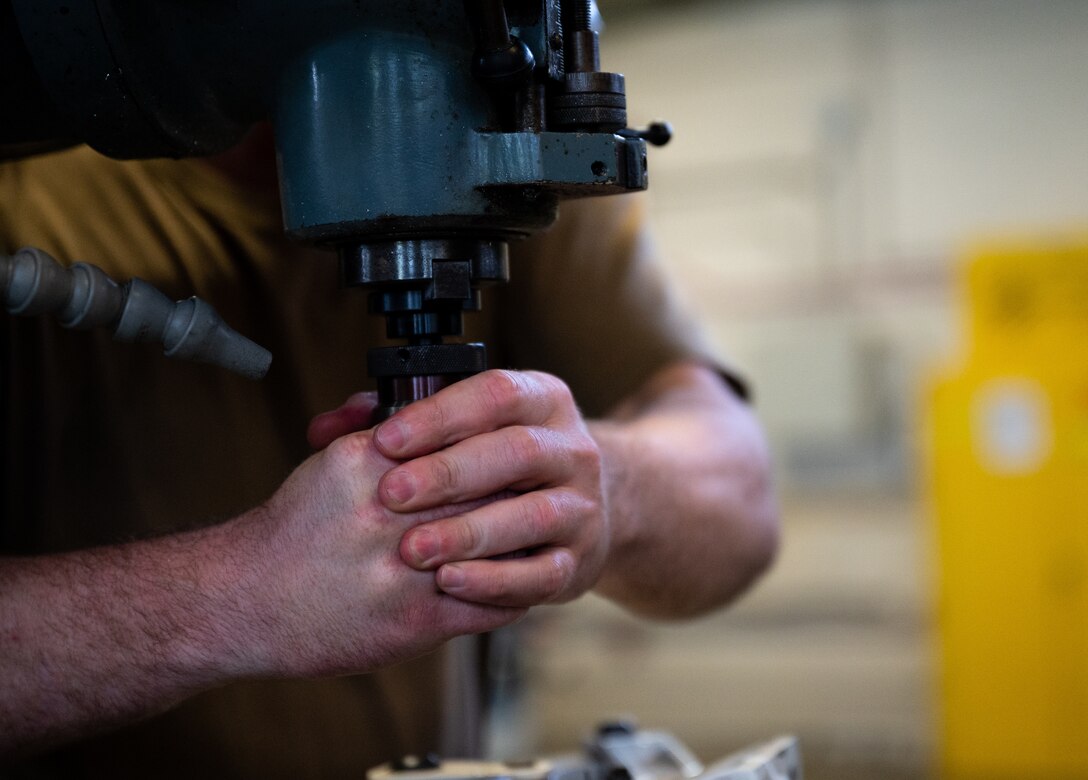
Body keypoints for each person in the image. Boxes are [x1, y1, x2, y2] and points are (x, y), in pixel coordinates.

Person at [0, 126, 779, 775]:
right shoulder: (28, 181)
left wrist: (605, 488)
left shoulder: (491, 144)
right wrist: (237, 596)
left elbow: (742, 493)